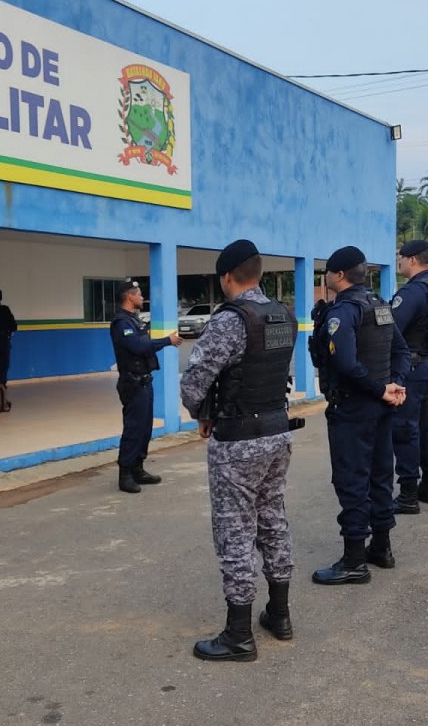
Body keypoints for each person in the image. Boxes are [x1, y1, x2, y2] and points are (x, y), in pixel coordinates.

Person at [180, 240, 298, 662]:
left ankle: (238, 634)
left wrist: (202, 411)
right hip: (277, 433)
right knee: (273, 520)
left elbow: (195, 381)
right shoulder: (283, 314)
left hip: (238, 442)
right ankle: (280, 614)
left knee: (235, 531)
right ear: (259, 273)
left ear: (227, 277)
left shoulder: (231, 320)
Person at [310, 246, 409, 584]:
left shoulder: (346, 310)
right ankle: (382, 547)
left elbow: (346, 363)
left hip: (354, 406)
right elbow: (401, 350)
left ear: (337, 275)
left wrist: (383, 388)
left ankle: (354, 559)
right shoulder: (379, 304)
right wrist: (395, 384)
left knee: (352, 479)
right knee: (380, 475)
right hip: (380, 405)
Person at [389, 239, 428, 513]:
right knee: (425, 425)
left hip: (410, 367)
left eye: (400, 256)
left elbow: (390, 328)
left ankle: (408, 494)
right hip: (427, 364)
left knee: (405, 429)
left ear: (412, 259)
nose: (398, 260)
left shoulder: (413, 291)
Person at [109, 280, 182, 494]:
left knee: (144, 428)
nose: (142, 297)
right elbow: (138, 346)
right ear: (129, 296)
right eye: (139, 294)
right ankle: (125, 474)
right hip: (132, 383)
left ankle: (138, 468)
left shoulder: (134, 321)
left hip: (144, 381)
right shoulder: (121, 323)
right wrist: (167, 341)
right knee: (133, 429)